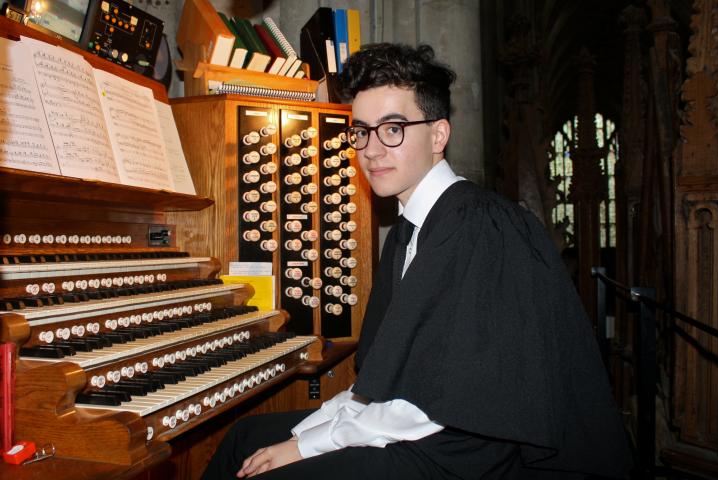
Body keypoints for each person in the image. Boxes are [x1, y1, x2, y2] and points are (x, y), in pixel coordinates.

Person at [202, 43, 631, 480]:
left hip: (459, 454)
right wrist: (304, 432)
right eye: (362, 131)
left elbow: (439, 402)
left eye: (393, 129)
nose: (371, 149)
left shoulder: (478, 226)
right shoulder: (411, 230)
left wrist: (307, 446)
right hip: (422, 428)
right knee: (246, 437)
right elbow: (388, 383)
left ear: (438, 135)